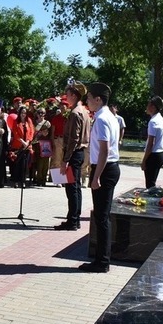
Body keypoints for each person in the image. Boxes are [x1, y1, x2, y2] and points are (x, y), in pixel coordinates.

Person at [80, 82, 120, 273]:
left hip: (105, 169)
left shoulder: (103, 119)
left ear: (98, 99)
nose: (87, 101)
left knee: (102, 218)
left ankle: (102, 262)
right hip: (108, 168)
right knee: (102, 216)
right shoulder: (108, 116)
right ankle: (101, 259)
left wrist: (96, 177)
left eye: (89, 98)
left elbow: (104, 151)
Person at [55, 82, 90, 231]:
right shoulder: (84, 110)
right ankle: (74, 219)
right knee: (76, 188)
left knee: (72, 189)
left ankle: (73, 221)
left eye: (68, 95)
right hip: (79, 153)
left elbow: (74, 139)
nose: (66, 97)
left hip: (74, 153)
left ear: (74, 96)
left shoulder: (76, 112)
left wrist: (65, 160)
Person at [141, 95, 163, 189]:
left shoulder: (153, 122)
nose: (146, 107)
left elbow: (151, 143)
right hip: (160, 154)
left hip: (153, 155)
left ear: (153, 107)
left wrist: (144, 161)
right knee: (152, 182)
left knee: (150, 185)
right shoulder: (161, 120)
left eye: (148, 105)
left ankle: (153, 202)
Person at [9, 106, 35, 188]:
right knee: (17, 164)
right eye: (22, 113)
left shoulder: (29, 121)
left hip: (26, 146)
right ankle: (16, 181)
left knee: (24, 165)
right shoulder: (16, 122)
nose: (23, 114)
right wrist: (23, 142)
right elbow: (15, 133)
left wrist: (27, 141)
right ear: (19, 113)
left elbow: (32, 132)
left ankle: (23, 181)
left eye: (25, 113)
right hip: (18, 146)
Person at [31, 108, 52, 186]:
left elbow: (47, 134)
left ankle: (43, 180)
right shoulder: (34, 122)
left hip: (44, 145)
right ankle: (36, 178)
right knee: (36, 163)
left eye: (43, 113)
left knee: (45, 163)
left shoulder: (47, 123)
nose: (41, 114)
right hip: (35, 144)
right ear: (36, 114)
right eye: (39, 113)